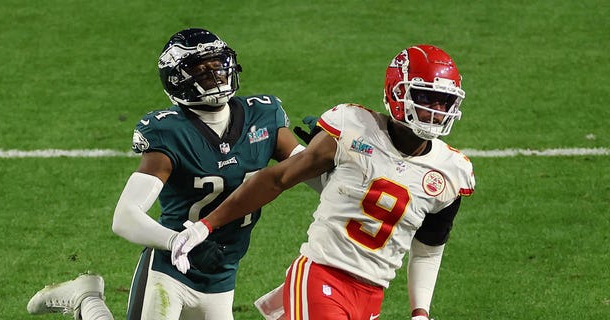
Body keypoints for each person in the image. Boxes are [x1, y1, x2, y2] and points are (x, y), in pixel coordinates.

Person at [169, 44, 476, 320]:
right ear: (396, 92)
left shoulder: (451, 171)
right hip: (322, 276)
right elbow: (277, 179)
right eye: (425, 98)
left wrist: (420, 311)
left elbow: (428, 250)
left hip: (371, 295)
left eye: (443, 101)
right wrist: (205, 225)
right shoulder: (353, 128)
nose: (435, 111)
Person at [27, 27, 314, 320]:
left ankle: (86, 294)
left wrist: (328, 151)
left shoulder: (261, 116)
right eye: (202, 71)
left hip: (222, 274)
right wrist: (177, 241)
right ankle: (86, 297)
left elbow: (309, 171)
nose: (215, 76)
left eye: (217, 65)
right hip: (171, 270)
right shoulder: (170, 132)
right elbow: (124, 216)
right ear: (179, 81)